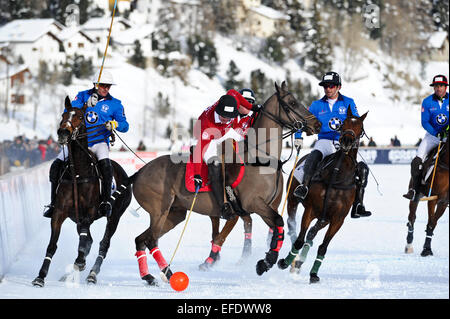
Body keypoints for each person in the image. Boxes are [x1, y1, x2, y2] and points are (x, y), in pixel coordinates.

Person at [43, 69, 129, 218]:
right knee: (56, 164)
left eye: (108, 86)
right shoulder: (82, 95)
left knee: (106, 166)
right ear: (96, 84)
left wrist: (114, 124)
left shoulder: (115, 104)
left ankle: (105, 202)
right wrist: (86, 104)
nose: (106, 88)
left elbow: (125, 126)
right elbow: (68, 111)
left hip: (99, 142)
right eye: (103, 85)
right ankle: (53, 203)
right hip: (78, 142)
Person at [292, 71, 371, 218]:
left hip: (343, 142)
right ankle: (304, 187)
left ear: (338, 87)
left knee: (362, 169)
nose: (328, 89)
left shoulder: (348, 102)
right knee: (314, 155)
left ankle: (358, 204)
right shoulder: (316, 105)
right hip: (325, 140)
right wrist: (298, 137)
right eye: (325, 86)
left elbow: (355, 121)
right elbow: (303, 122)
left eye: (332, 86)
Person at [192, 89, 255, 219]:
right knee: (215, 165)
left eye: (230, 117)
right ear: (218, 112)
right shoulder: (206, 125)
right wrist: (197, 174)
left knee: (247, 144)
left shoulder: (230, 100)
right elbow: (200, 149)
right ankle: (223, 207)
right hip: (208, 136)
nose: (227, 119)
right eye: (224, 117)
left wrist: (252, 107)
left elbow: (234, 92)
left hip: (224, 131)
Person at [403, 74, 449, 202]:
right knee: (417, 161)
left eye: (440, 86)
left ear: (445, 87)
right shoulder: (427, 101)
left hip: (448, 137)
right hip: (432, 137)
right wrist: (436, 132)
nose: (438, 88)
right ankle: (415, 189)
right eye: (436, 86)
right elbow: (425, 122)